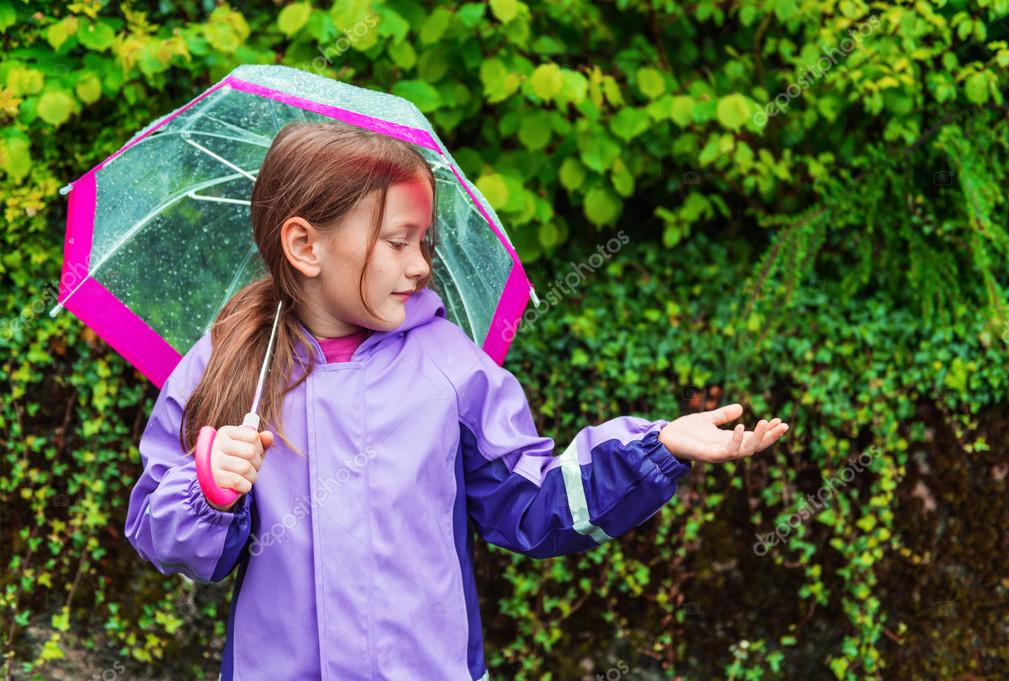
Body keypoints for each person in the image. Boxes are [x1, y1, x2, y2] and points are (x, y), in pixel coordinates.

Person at [123, 120, 788, 681]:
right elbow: (175, 547)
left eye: (424, 242)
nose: (419, 265)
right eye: (397, 241)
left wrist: (656, 447)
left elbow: (533, 503)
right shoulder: (229, 364)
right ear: (304, 245)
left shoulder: (448, 368)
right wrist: (209, 493)